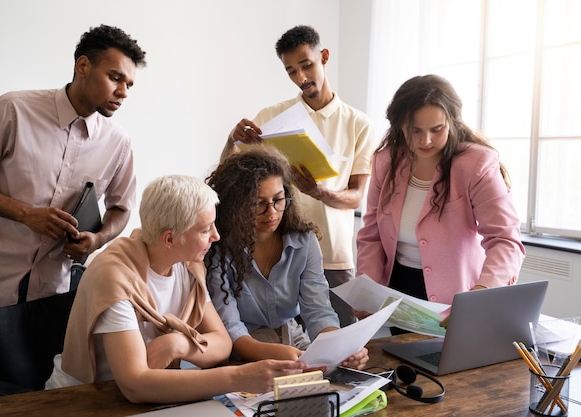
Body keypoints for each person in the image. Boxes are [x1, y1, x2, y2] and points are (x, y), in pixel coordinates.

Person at [0, 24, 146, 402]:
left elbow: (122, 208)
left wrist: (97, 239)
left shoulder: (118, 142)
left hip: (52, 296)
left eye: (129, 84)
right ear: (83, 66)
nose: (123, 92)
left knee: (34, 398)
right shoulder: (14, 110)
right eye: (115, 78)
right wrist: (26, 214)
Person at [45, 175, 306, 403]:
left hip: (147, 395)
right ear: (169, 238)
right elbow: (135, 385)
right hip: (88, 399)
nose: (216, 236)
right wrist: (238, 377)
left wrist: (179, 343)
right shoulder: (114, 277)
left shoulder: (188, 265)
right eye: (205, 230)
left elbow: (221, 343)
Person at [221, 25, 374, 328]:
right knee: (288, 352)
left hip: (333, 253)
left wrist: (320, 192)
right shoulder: (272, 116)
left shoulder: (358, 123)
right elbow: (229, 178)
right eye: (291, 71)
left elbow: (357, 196)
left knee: (337, 344)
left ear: (324, 57)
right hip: (280, 253)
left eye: (307, 65)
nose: (301, 78)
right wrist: (231, 140)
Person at [356, 74, 525, 329]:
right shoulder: (385, 162)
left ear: (452, 123)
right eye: (415, 131)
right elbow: (371, 235)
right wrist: (367, 290)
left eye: (437, 130)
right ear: (399, 126)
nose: (425, 141)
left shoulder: (475, 165)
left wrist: (479, 296)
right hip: (398, 291)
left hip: (457, 297)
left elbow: (505, 240)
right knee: (404, 365)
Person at [205, 145, 368, 369]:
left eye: (278, 200)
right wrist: (275, 353)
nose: (271, 212)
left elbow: (318, 309)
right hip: (240, 348)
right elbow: (229, 325)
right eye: (258, 203)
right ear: (236, 205)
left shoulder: (304, 241)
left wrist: (339, 348)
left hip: (291, 337)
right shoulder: (219, 247)